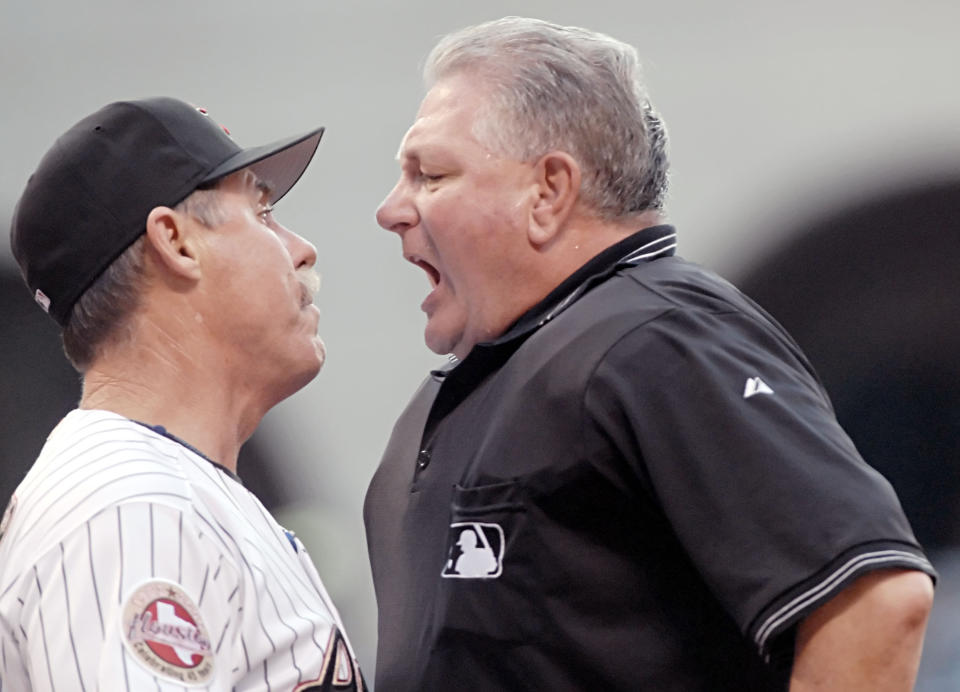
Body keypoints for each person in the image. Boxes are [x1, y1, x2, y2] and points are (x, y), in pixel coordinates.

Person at [363, 16, 936, 691]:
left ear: (547, 192)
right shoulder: (494, 374)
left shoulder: (656, 339)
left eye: (430, 174)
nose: (391, 209)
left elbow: (875, 602)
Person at [0, 97, 365, 691]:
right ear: (177, 242)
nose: (301, 249)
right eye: (263, 211)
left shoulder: (166, 489)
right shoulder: (129, 506)